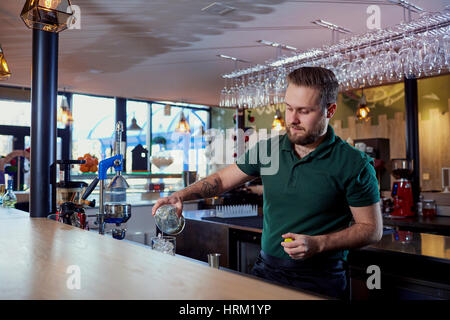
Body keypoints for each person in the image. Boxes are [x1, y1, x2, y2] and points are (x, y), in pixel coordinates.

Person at [152, 66, 383, 300]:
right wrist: (181, 195)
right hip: (266, 271)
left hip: (321, 279)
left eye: (304, 111)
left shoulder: (354, 163)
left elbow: (371, 229)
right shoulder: (268, 149)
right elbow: (221, 180)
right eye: (289, 108)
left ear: (329, 110)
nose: (292, 119)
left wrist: (319, 244)